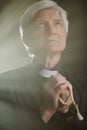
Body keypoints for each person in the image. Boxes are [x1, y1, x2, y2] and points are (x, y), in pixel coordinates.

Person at [0, 0, 87, 130]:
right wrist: (46, 111)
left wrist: (69, 111)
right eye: (41, 24)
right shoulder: (4, 84)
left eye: (57, 23)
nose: (52, 31)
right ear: (26, 39)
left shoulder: (83, 83)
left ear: (65, 34)